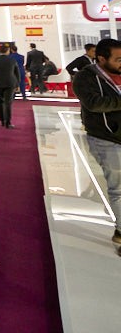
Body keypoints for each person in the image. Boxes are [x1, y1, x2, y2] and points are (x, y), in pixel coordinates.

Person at [71, 38, 121, 251]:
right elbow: (93, 104)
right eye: (118, 59)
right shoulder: (85, 77)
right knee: (119, 189)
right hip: (107, 139)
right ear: (101, 58)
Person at [0, 43, 19, 129]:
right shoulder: (12, 60)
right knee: (8, 103)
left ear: (0, 51)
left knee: (0, 102)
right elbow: (16, 73)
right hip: (10, 83)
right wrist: (17, 84)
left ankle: (2, 120)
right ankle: (8, 122)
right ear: (8, 51)